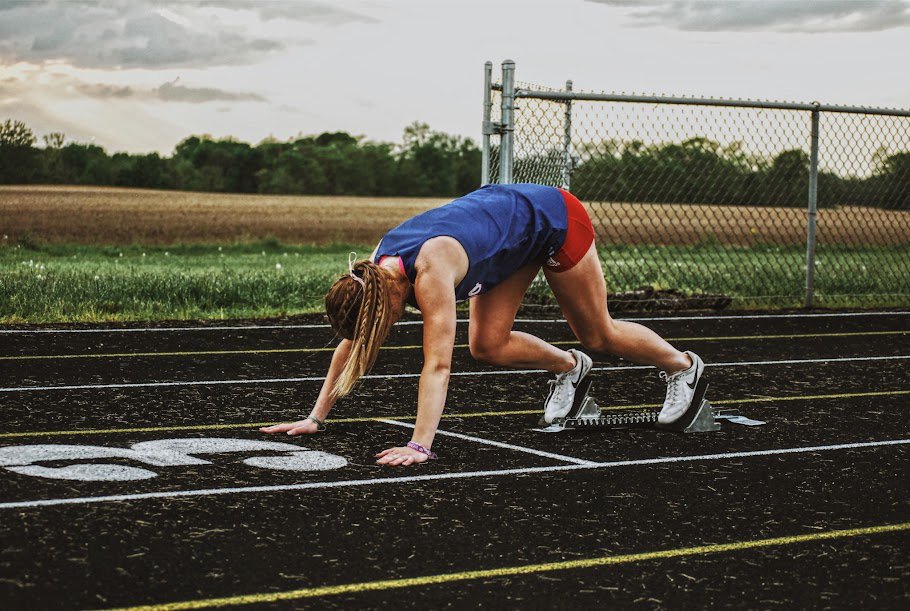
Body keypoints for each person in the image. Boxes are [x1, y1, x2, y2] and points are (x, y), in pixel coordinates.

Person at [261, 183, 704, 466]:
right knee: (488, 345)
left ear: (386, 304)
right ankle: (570, 368)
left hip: (552, 219)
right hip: (506, 238)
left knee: (598, 332)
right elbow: (353, 345)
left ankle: (683, 367)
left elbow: (437, 366)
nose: (382, 332)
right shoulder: (374, 274)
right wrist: (315, 418)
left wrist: (418, 445)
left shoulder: (430, 273)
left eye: (380, 326)